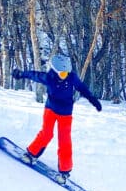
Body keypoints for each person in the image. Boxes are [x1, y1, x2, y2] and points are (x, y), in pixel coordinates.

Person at [12, 54, 102, 183]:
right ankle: (31, 155)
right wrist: (21, 74)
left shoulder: (72, 78)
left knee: (64, 140)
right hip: (51, 109)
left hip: (65, 113)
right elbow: (34, 75)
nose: (64, 75)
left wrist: (94, 101)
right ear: (55, 70)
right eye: (61, 73)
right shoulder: (49, 77)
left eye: (66, 73)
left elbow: (83, 89)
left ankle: (64, 172)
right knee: (46, 134)